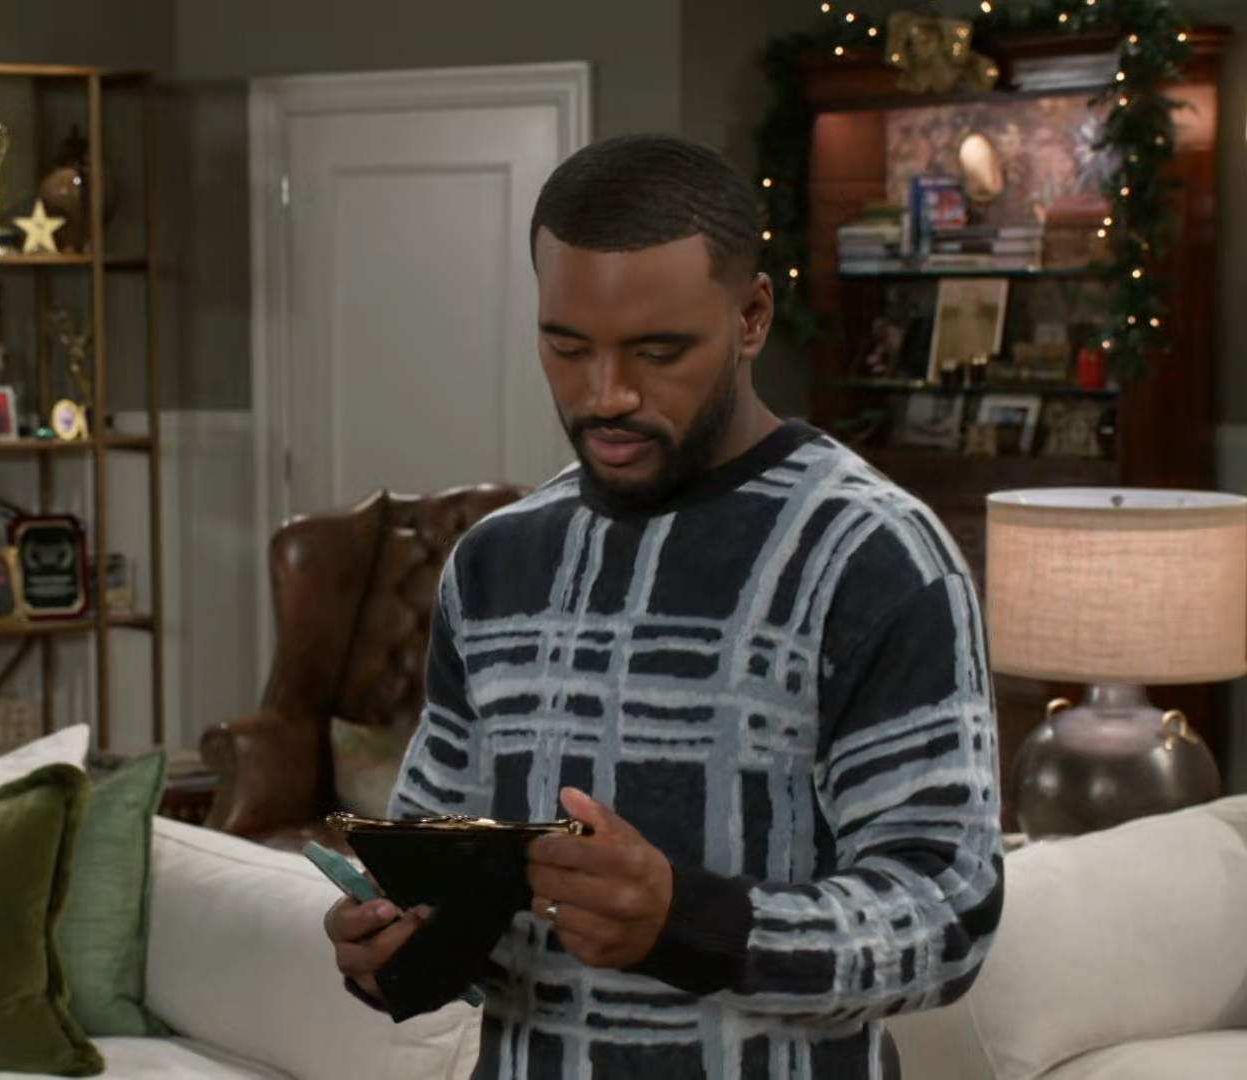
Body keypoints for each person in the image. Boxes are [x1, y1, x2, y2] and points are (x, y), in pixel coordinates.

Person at [323, 133, 1004, 1079]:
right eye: (568, 347)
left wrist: (684, 922)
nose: (606, 395)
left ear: (752, 315)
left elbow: (948, 914)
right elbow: (438, 873)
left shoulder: (876, 557)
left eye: (658, 350)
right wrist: (394, 951)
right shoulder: (495, 563)